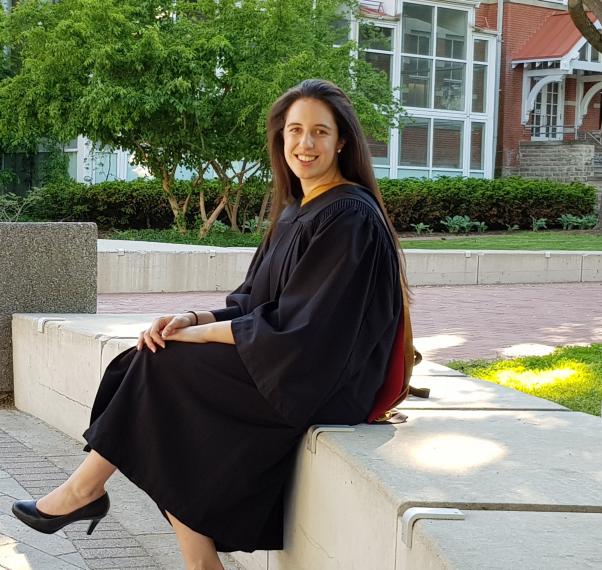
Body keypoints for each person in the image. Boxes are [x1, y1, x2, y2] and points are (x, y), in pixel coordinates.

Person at [11, 78, 409, 570]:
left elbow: (304, 328)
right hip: (288, 358)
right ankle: (187, 553)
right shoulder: (297, 210)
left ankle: (92, 492)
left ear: (342, 140)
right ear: (280, 138)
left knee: (161, 373)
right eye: (295, 131)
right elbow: (253, 302)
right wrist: (192, 318)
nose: (306, 145)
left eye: (321, 133)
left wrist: (197, 335)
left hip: (320, 376)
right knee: (138, 367)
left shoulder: (348, 216)